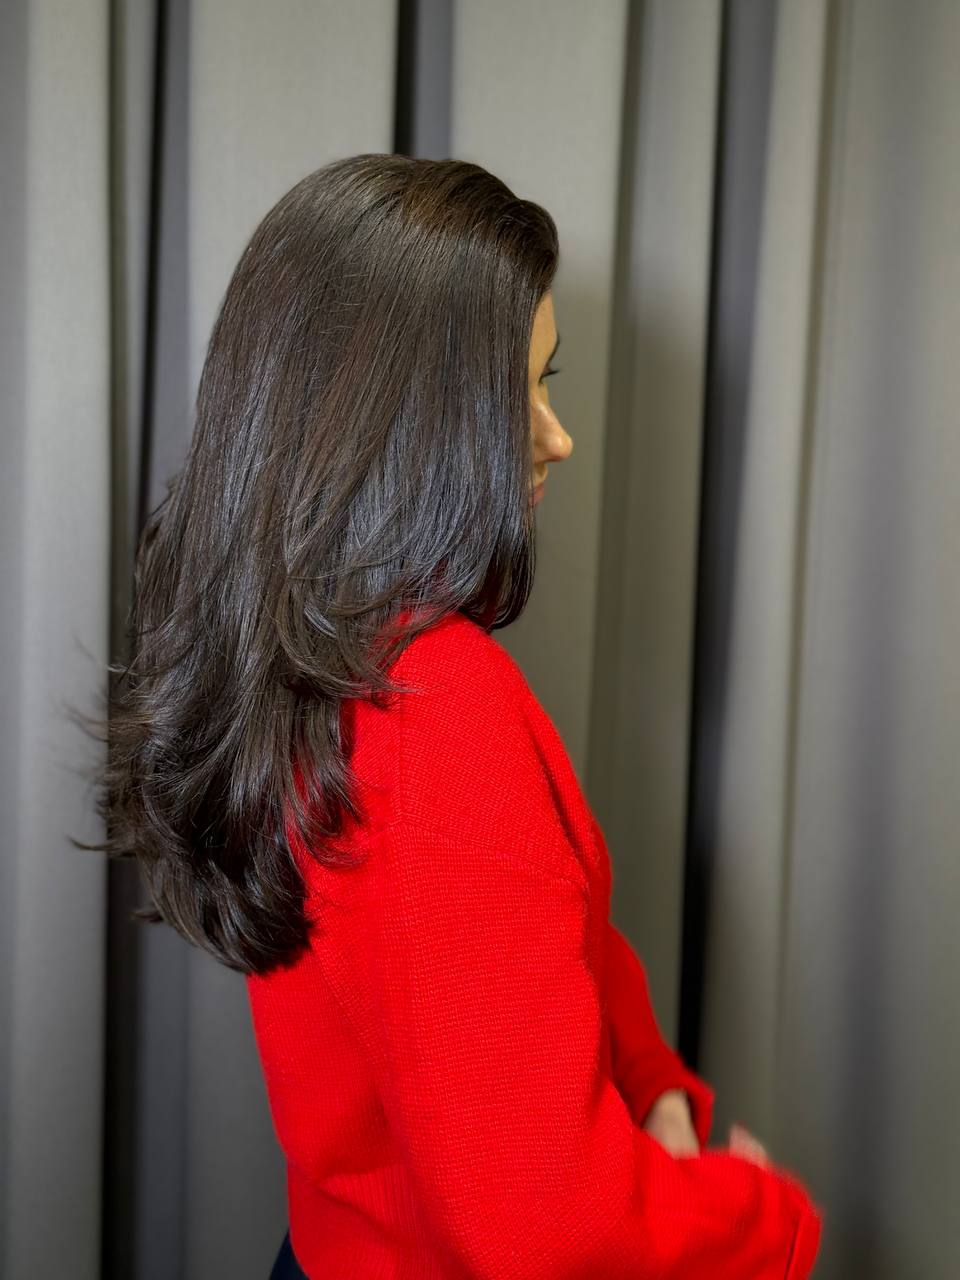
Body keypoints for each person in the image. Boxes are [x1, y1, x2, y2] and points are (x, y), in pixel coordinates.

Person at [95, 154, 822, 1277]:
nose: (557, 436)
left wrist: (653, 1088)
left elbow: (549, 934)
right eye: (518, 394)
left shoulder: (310, 654)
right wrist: (766, 1221)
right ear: (405, 417)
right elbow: (550, 1227)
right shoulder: (433, 712)